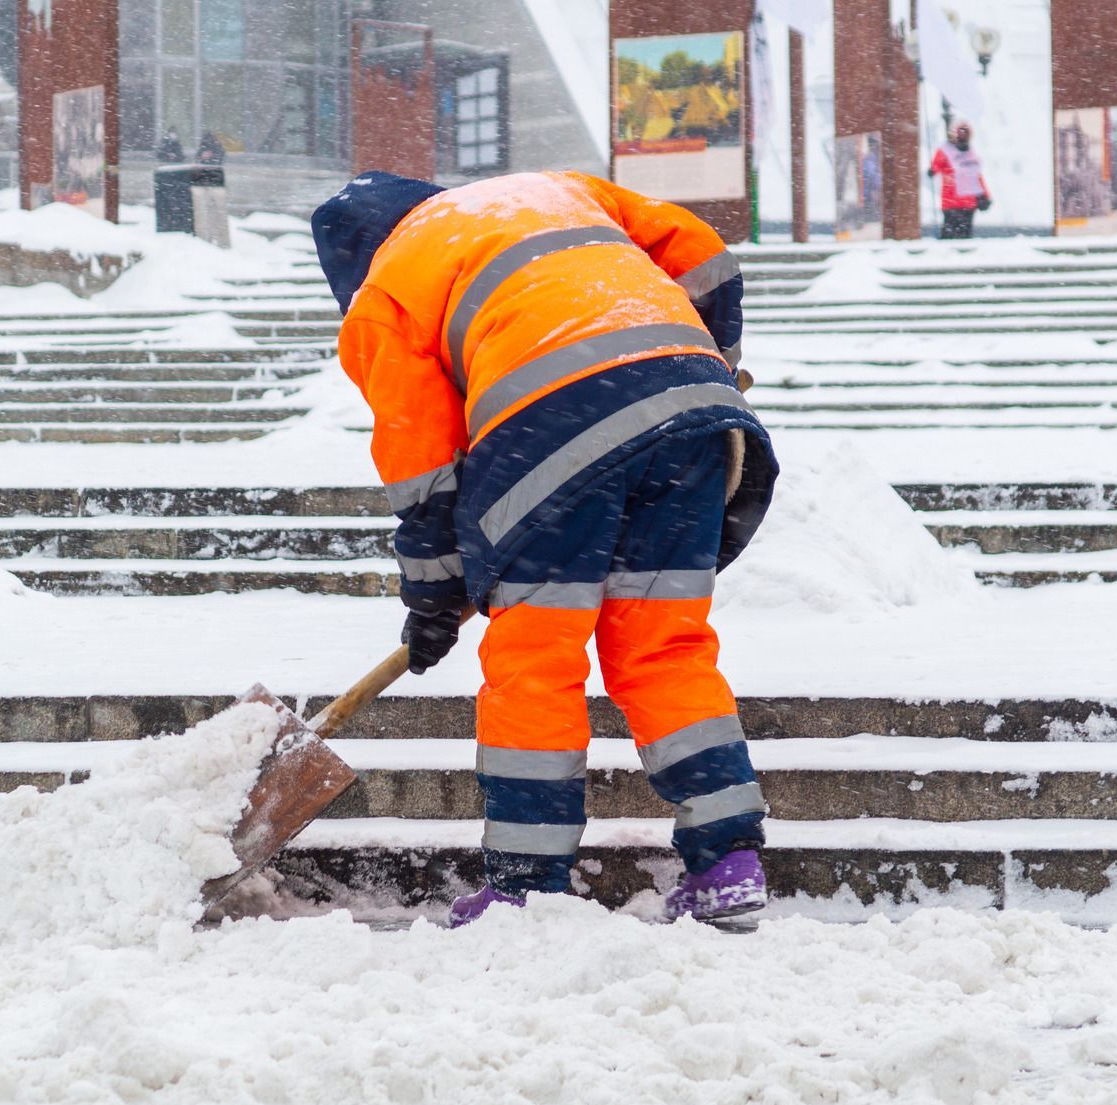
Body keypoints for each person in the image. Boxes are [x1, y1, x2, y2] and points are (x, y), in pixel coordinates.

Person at [311, 170, 777, 927]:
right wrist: (713, 358)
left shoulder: (383, 295)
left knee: (538, 658)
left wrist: (432, 596)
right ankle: (729, 859)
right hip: (695, 418)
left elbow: (423, 468)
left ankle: (527, 887)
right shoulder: (554, 190)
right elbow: (706, 258)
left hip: (548, 432)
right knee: (665, 647)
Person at [928, 120, 992, 239]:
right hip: (952, 202)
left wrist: (984, 196)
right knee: (950, 235)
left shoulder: (971, 153)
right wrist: (932, 170)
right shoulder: (946, 151)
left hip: (968, 203)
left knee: (964, 235)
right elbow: (936, 166)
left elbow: (976, 176)